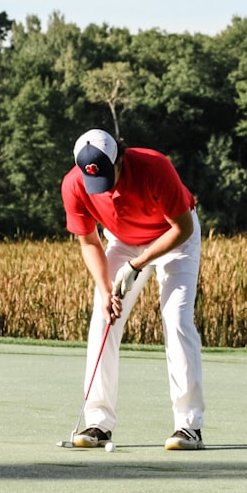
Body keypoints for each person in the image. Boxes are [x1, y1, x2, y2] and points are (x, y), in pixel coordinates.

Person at [61, 128, 205, 450]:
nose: (101, 188)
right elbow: (88, 241)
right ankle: (98, 422)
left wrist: (137, 265)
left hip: (174, 239)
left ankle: (188, 426)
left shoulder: (155, 167)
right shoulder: (74, 185)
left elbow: (183, 228)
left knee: (176, 318)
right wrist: (105, 290)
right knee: (103, 319)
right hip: (123, 242)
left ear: (120, 159)